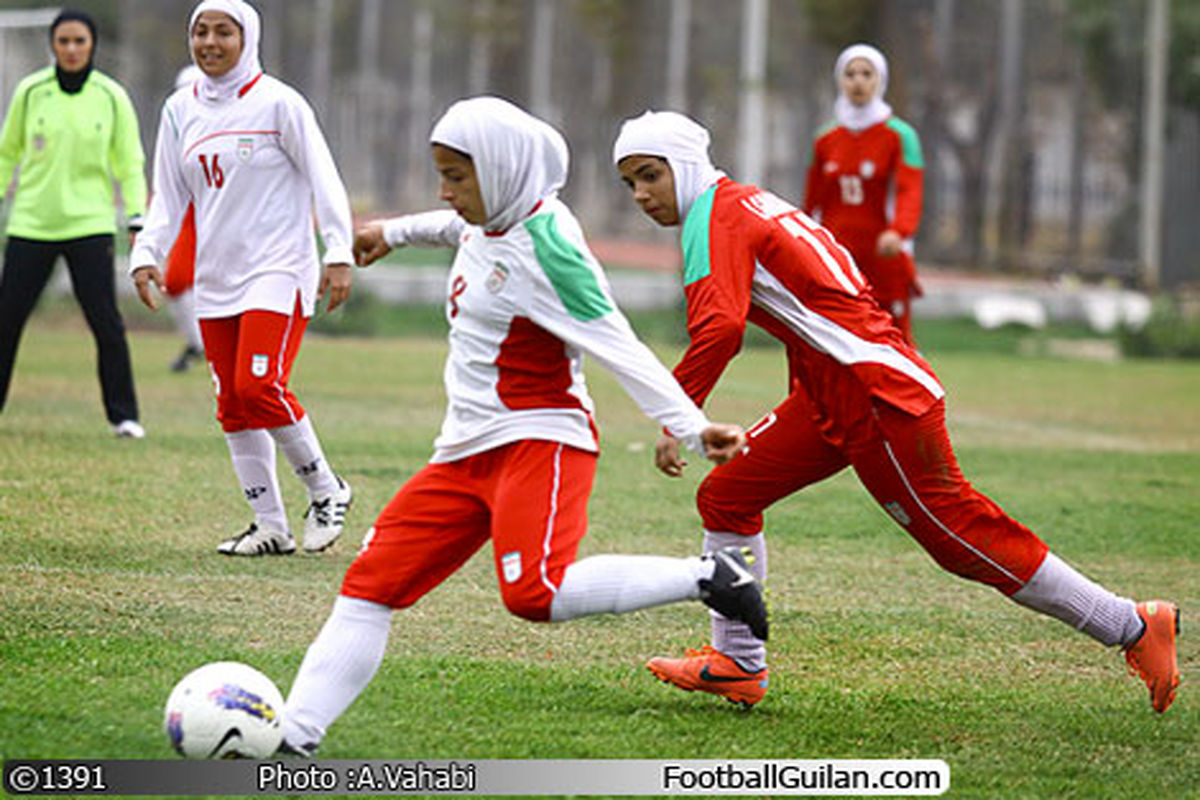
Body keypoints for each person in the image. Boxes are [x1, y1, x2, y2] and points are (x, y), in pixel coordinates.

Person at [611, 109, 1180, 714]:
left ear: (687, 165)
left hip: (876, 399)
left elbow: (720, 327)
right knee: (726, 495)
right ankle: (737, 663)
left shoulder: (713, 218)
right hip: (831, 394)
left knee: (959, 538)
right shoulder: (745, 201)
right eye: (631, 184)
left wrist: (678, 416)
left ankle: (1133, 626)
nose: (643, 194)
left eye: (651, 175)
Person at [278, 96, 766, 756]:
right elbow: (460, 229)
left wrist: (689, 425)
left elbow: (615, 341)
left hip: (542, 440)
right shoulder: (496, 215)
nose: (445, 191)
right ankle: (292, 742)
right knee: (369, 588)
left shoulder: (549, 252)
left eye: (456, 176)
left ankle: (708, 577)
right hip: (463, 452)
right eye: (442, 173)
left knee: (535, 593)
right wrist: (391, 232)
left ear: (503, 169)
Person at [130, 0, 353, 556]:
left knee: (258, 387)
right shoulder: (180, 110)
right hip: (216, 278)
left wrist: (339, 249)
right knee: (232, 402)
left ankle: (328, 489)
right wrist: (145, 252)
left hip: (279, 269)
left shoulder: (280, 103)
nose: (209, 42)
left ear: (247, 38)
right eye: (200, 32)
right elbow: (168, 195)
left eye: (222, 32)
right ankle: (270, 526)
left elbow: (325, 180)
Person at [0, 9, 146, 438]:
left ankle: (124, 415)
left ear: (92, 45)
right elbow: (7, 152)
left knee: (105, 322)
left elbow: (130, 162)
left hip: (90, 225)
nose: (71, 49)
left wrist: (138, 217)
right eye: (63, 41)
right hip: (32, 224)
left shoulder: (111, 96)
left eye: (79, 41)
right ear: (52, 45)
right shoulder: (31, 92)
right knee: (6, 320)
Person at [803, 44, 923, 345]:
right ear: (839, 81)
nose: (858, 81)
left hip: (884, 254)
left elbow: (909, 190)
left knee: (893, 338)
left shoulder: (899, 135)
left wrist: (899, 232)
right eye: (850, 74)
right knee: (832, 336)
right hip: (838, 254)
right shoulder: (825, 140)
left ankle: (907, 391)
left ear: (880, 80)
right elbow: (813, 201)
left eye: (866, 74)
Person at [161, 65, 205, 373]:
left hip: (233, 210)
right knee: (176, 280)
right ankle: (198, 344)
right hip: (192, 211)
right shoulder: (176, 121)